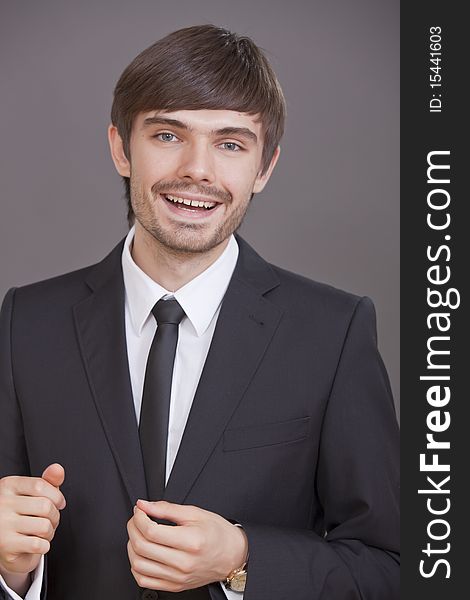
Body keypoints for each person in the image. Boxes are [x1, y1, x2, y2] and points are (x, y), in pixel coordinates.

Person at [0, 24, 399, 600]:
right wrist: (11, 569)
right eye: (167, 135)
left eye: (231, 144)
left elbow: (393, 567)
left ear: (264, 167)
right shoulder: (26, 323)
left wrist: (243, 559)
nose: (198, 170)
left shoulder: (334, 333)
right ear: (120, 147)